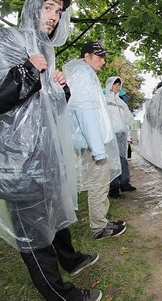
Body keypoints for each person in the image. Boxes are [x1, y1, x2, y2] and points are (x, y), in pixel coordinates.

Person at [0, 0, 103, 301]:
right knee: (33, 235)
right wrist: (27, 71)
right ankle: (62, 295)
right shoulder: (4, 40)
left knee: (56, 214)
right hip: (15, 167)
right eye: (49, 8)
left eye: (59, 12)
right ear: (33, 9)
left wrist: (62, 89)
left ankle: (71, 260)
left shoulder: (44, 50)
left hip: (44, 158)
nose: (54, 17)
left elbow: (49, 112)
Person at [63, 41, 126, 240]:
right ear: (87, 56)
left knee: (100, 183)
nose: (103, 61)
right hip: (92, 144)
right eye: (99, 56)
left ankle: (102, 221)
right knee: (98, 184)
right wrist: (98, 150)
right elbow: (86, 112)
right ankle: (99, 227)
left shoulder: (83, 73)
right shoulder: (83, 75)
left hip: (89, 142)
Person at [104, 76, 136, 198]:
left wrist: (126, 127)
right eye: (115, 84)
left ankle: (124, 183)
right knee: (112, 160)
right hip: (110, 134)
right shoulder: (104, 99)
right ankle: (113, 187)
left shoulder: (121, 102)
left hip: (121, 134)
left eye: (118, 84)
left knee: (122, 159)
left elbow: (128, 117)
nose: (117, 86)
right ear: (109, 85)